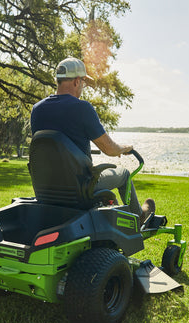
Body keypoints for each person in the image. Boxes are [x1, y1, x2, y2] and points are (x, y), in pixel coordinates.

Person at [30, 57, 155, 224]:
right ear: (76, 81)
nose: (83, 86)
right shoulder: (82, 108)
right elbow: (109, 149)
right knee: (124, 174)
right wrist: (124, 148)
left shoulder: (37, 110)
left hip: (45, 187)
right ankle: (139, 217)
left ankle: (117, 214)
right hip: (80, 186)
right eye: (83, 82)